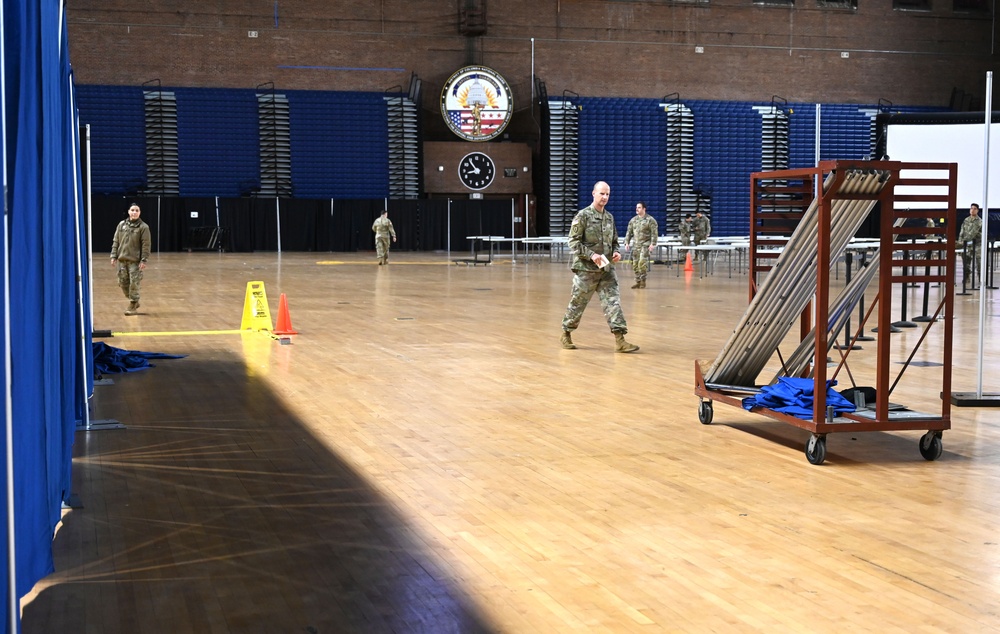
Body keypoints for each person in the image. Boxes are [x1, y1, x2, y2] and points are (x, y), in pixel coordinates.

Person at [560, 181, 639, 353]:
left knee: (613, 303)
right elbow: (572, 241)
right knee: (578, 303)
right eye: (602, 193)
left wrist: (616, 252)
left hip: (606, 270)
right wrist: (591, 255)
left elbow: (614, 241)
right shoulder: (583, 216)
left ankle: (620, 340)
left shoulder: (609, 218)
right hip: (586, 270)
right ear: (593, 193)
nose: (605, 197)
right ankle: (566, 333)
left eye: (607, 194)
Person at [110, 202, 151, 316]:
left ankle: (133, 304)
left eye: (137, 210)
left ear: (140, 213)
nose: (134, 212)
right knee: (123, 283)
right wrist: (113, 255)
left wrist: (144, 260)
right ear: (128, 212)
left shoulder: (143, 227)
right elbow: (116, 241)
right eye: (132, 210)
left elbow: (146, 245)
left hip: (135, 261)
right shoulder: (121, 225)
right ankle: (135, 300)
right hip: (122, 260)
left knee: (134, 283)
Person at [623, 201, 658, 289]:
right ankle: (638, 281)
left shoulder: (650, 220)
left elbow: (654, 233)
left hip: (645, 245)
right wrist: (626, 242)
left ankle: (643, 281)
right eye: (636, 207)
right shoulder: (633, 220)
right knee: (635, 264)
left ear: (644, 209)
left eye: (639, 207)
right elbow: (629, 232)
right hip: (636, 245)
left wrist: (653, 244)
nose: (637, 209)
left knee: (642, 263)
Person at [958, 203, 983, 284]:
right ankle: (967, 277)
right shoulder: (966, 220)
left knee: (979, 263)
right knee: (966, 262)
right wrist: (960, 243)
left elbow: (973, 233)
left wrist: (963, 241)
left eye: (975, 208)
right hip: (967, 245)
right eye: (971, 208)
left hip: (977, 245)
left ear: (977, 210)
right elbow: (962, 232)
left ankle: (981, 279)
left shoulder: (979, 221)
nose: (972, 210)